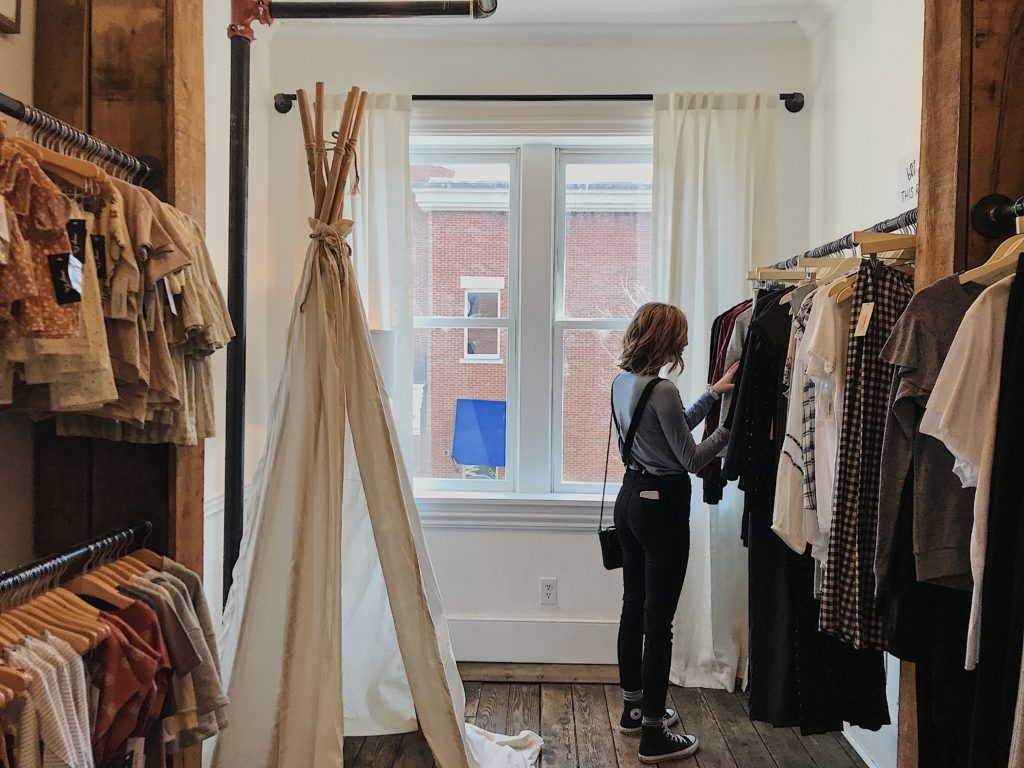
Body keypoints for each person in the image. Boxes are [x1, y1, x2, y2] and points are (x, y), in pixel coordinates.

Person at [610, 302, 736, 764]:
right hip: (661, 510)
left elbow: (667, 429)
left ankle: (633, 709)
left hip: (630, 501)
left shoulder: (624, 382)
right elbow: (691, 457)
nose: (684, 344)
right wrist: (729, 429)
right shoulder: (662, 389)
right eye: (680, 337)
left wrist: (711, 392)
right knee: (658, 622)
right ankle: (653, 735)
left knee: (633, 606)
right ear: (664, 340)